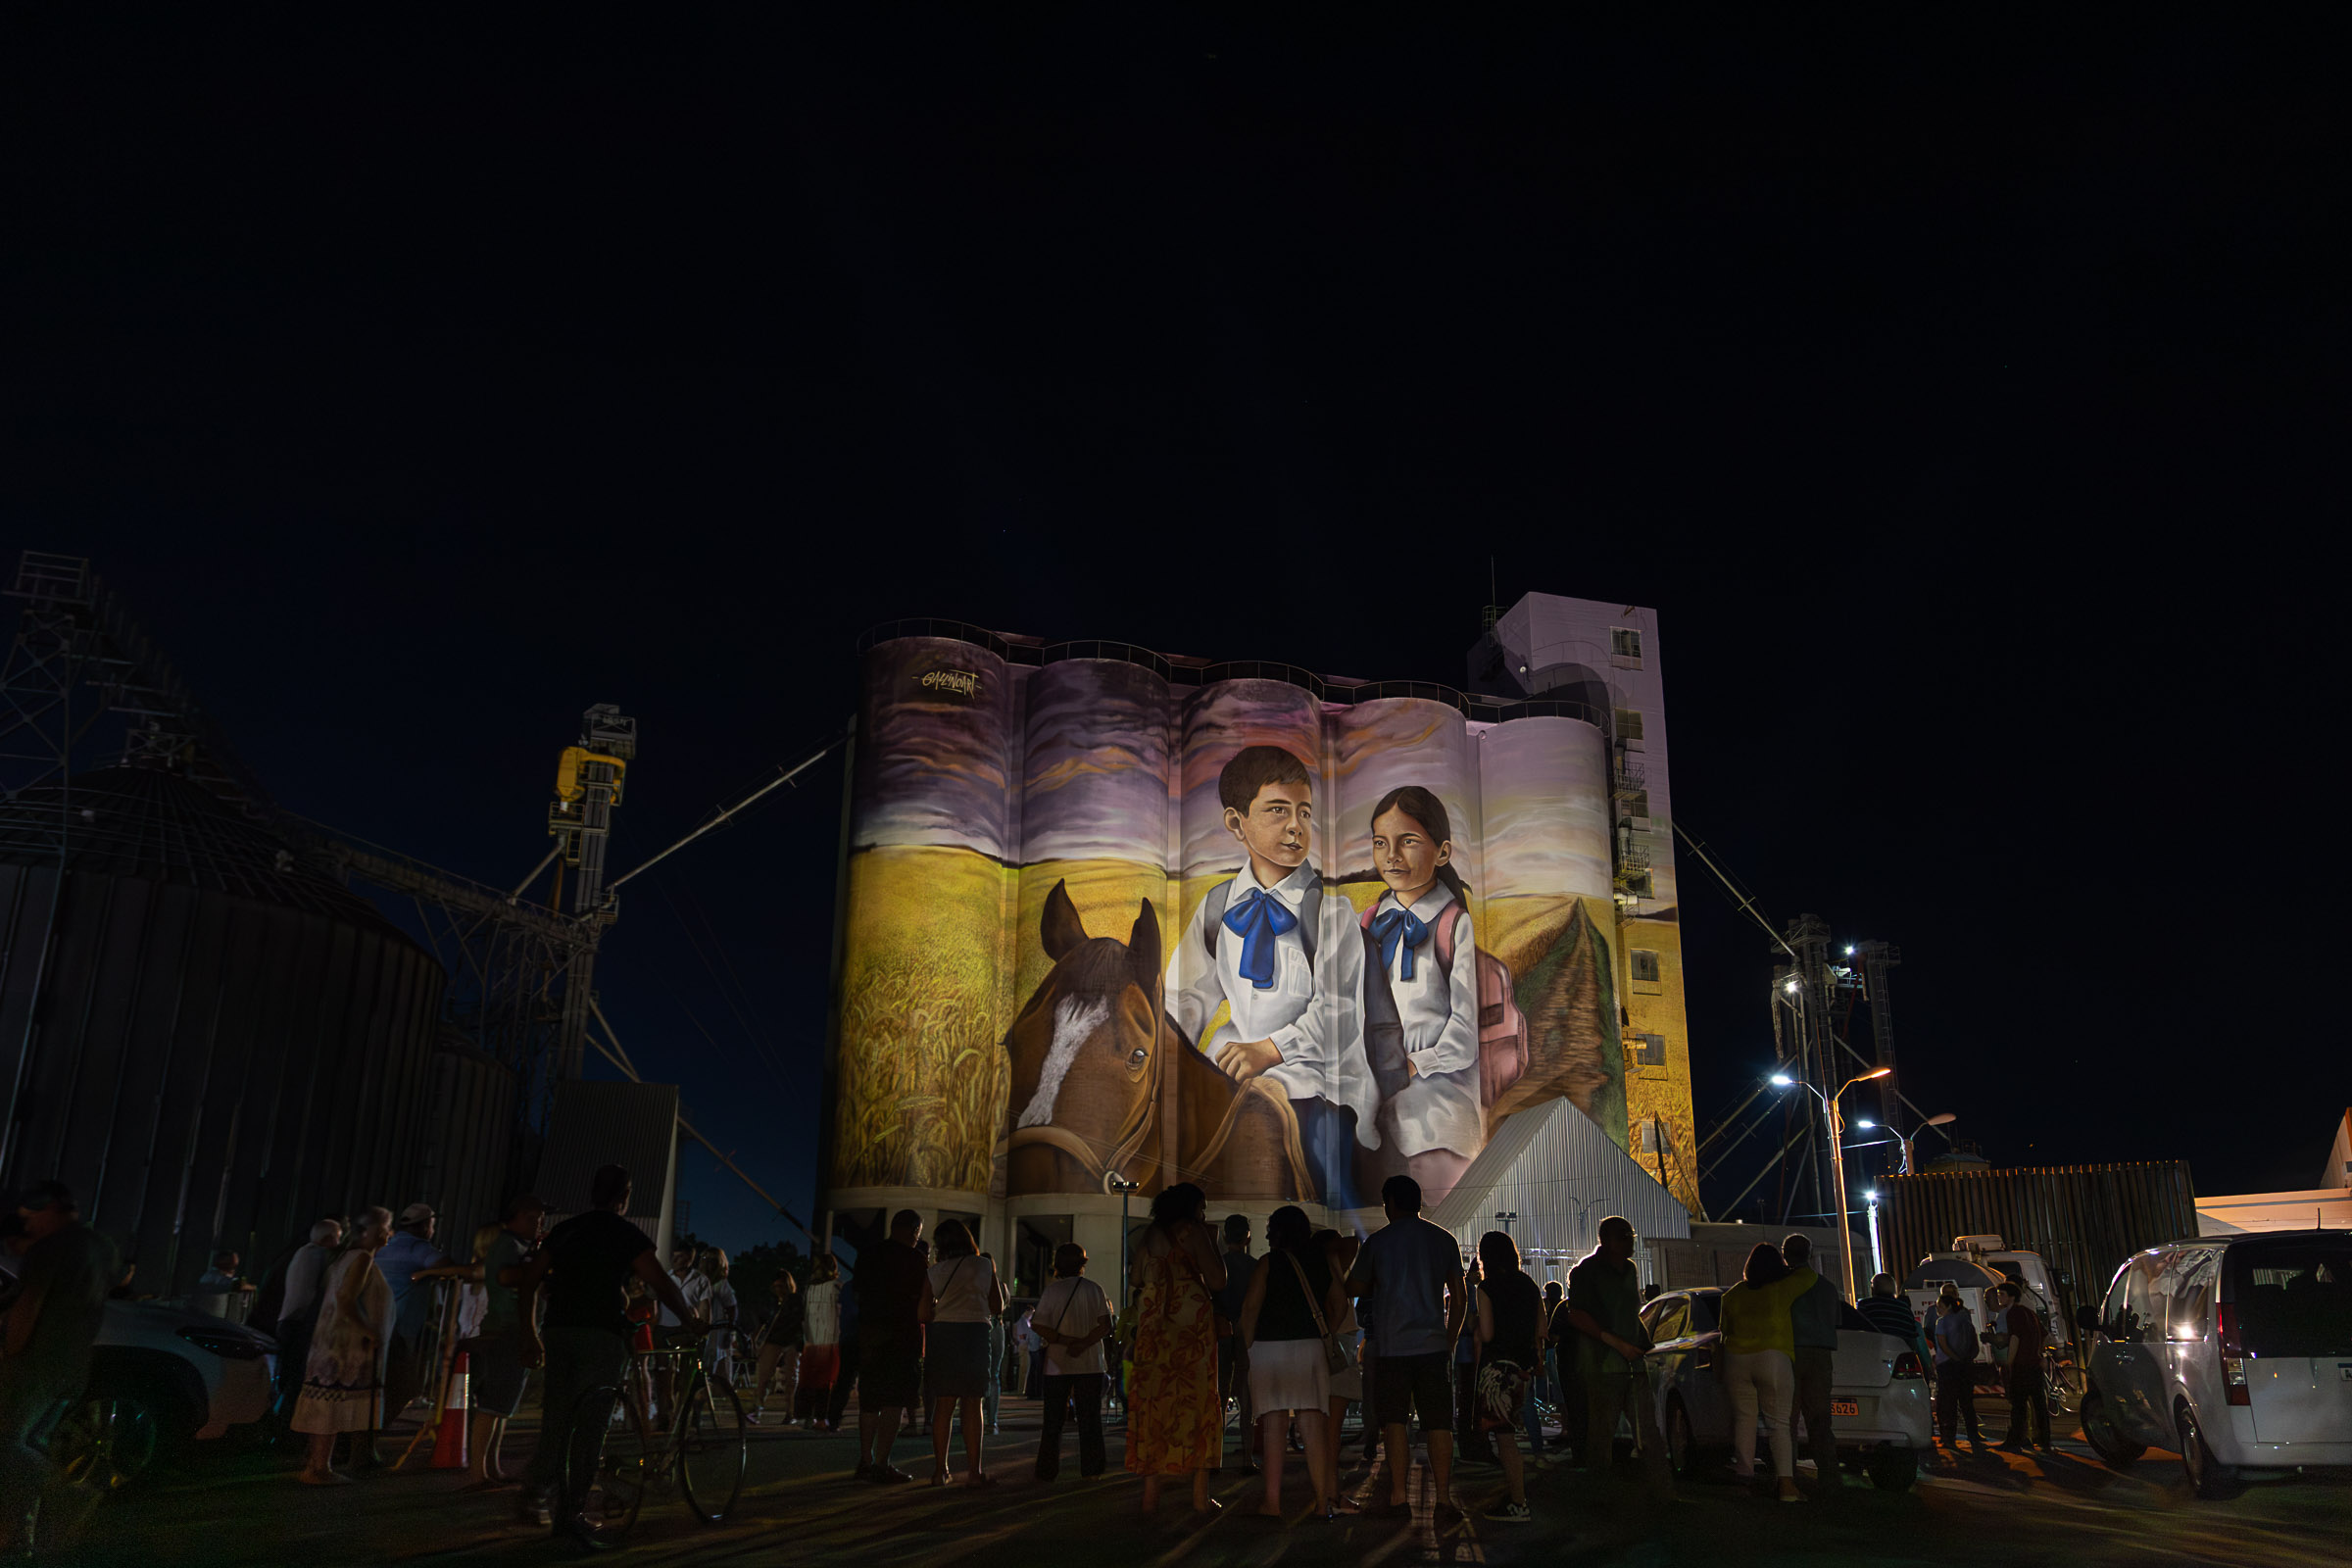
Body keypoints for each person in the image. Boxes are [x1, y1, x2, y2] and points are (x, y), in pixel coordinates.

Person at [1165, 747, 1373, 1209]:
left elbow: (1338, 1013)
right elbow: (1184, 997)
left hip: (1311, 1081)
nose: (1296, 826)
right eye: (1277, 811)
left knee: (1328, 1166)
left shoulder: (1330, 913)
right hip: (1229, 1068)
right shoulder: (1216, 907)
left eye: (1303, 812)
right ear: (1237, 824)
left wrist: (1270, 1049)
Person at [514, 1164, 704, 1545]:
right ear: (625, 1197)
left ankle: (536, 1491)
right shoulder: (625, 1233)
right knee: (591, 1425)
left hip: (559, 1330)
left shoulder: (565, 1230)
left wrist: (530, 1334)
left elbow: (530, 1280)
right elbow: (660, 1282)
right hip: (599, 1334)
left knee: (557, 1416)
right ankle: (571, 1515)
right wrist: (689, 1317)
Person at [1362, 786, 1485, 1197]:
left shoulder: (1454, 924)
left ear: (1443, 852)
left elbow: (1465, 1033)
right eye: (1381, 843)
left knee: (1433, 1203)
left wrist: (1415, 1064)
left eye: (1408, 841)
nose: (1392, 855)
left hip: (1435, 1094)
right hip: (1375, 1084)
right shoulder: (1368, 923)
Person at [0, 1182, 123, 1546]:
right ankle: (25, 1526)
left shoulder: (51, 1248)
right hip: (74, 1362)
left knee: (8, 1443)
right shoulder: (103, 1247)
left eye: (30, 1218)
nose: (29, 1227)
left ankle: (61, 1499)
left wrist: (11, 1351)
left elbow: (30, 1305)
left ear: (48, 1209)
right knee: (35, 1440)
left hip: (37, 1362)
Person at [1346, 1173, 1466, 1523]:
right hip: (1433, 1347)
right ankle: (1443, 1499)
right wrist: (1450, 1339)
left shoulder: (1378, 1243)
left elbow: (1354, 1284)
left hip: (1391, 1349)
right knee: (1440, 1423)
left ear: (1391, 1203)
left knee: (1395, 1421)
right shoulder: (1443, 1240)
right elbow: (1458, 1298)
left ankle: (1399, 1497)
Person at [1237, 1205, 1347, 1518]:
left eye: (1271, 1229)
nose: (1269, 1235)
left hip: (1268, 1350)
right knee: (1313, 1427)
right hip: (1310, 1348)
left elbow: (1250, 1309)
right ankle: (1322, 1502)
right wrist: (1325, 1332)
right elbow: (1339, 1304)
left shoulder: (1268, 1263)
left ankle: (1272, 1503)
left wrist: (1246, 1349)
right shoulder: (1321, 1261)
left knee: (1273, 1428)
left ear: (1279, 1232)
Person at [1125, 1182, 1227, 1516]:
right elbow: (1217, 1280)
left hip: (1154, 1330)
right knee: (1197, 1406)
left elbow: (1137, 1278)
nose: (1204, 1213)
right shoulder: (1194, 1232)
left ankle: (1149, 1497)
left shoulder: (1150, 1235)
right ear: (1190, 1209)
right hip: (1190, 1331)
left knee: (1154, 1407)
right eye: (1202, 1207)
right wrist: (1210, 1243)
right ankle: (1199, 1497)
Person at [290, 1206, 398, 1485]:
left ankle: (319, 1465)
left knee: (329, 1403)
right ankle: (318, 1468)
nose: (389, 1233)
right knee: (330, 1403)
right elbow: (346, 1299)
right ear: (368, 1231)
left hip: (334, 1340)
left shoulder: (348, 1257)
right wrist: (370, 1331)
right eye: (385, 1227)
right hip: (342, 1344)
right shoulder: (360, 1258)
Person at [1566, 1216, 1670, 1495]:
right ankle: (1600, 1495)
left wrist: (1640, 1342)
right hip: (1602, 1366)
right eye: (1625, 1235)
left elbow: (1630, 1312)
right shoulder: (1587, 1271)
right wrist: (1617, 1343)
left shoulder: (1630, 1269)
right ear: (1607, 1240)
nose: (1631, 1240)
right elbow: (1576, 1315)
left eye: (1631, 1234)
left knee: (1648, 1430)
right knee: (1602, 1434)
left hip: (1632, 1364)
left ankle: (1661, 1492)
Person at [454, 1194, 543, 1491]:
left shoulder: (520, 1245)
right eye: (532, 1217)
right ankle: (478, 1474)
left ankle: (491, 1467)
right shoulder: (508, 1244)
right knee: (492, 1405)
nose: (539, 1222)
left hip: (511, 1330)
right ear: (515, 1217)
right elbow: (504, 1276)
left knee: (503, 1406)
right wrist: (538, 1270)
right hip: (506, 1330)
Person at [1716, 1241, 1806, 1502]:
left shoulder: (1731, 1295)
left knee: (1744, 1420)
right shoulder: (1782, 1288)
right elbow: (1808, 1275)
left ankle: (1744, 1476)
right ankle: (1787, 1487)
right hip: (1773, 1358)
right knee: (1778, 1423)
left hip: (1736, 1360)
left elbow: (1724, 1334)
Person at [853, 1210, 935, 1485]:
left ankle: (865, 1459)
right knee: (894, 1402)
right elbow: (923, 1300)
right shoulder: (916, 1260)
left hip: (870, 1334)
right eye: (918, 1232)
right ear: (914, 1230)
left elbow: (857, 1293)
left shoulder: (868, 1254)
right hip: (902, 1337)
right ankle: (882, 1463)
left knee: (870, 1400)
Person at [925, 1220, 1006, 1487]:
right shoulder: (983, 1264)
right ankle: (974, 1471)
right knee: (973, 1403)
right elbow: (997, 1305)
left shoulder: (935, 1271)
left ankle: (940, 1471)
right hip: (975, 1334)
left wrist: (943, 1309)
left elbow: (922, 1313)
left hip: (944, 1336)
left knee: (944, 1404)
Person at [1473, 1230, 1544, 1523]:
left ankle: (1518, 1503)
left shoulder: (1487, 1287)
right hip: (1523, 1368)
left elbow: (1488, 1333)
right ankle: (1515, 1496)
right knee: (1510, 1433)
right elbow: (1542, 1328)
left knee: (1504, 1438)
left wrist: (1475, 1331)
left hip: (1498, 1370)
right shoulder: (1529, 1284)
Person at [374, 1203, 461, 1428]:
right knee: (406, 1386)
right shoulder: (419, 1248)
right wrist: (428, 1273)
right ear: (424, 1225)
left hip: (377, 1324)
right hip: (405, 1329)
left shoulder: (386, 1246)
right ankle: (376, 1430)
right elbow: (450, 1267)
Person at [1032, 1243, 1112, 1481]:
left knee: (1053, 1421)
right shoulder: (1094, 1289)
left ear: (1058, 1265)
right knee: (1090, 1418)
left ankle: (1047, 1471)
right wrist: (1083, 1342)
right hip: (1090, 1363)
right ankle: (1092, 1470)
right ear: (1082, 1264)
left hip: (1057, 1363)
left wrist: (1066, 1341)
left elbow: (1038, 1325)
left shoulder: (1052, 1291)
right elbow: (1106, 1325)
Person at [1780, 1234, 1841, 1496]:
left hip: (1790, 1354)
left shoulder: (1782, 1284)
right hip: (1821, 1355)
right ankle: (1830, 1477)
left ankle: (1789, 1477)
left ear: (1785, 1254)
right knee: (1820, 1420)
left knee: (1787, 1420)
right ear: (1810, 1252)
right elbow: (1836, 1320)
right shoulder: (1827, 1287)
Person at [270, 1218, 344, 1422]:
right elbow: (312, 1295)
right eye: (338, 1238)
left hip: (288, 1321)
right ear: (329, 1238)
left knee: (288, 1376)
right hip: (299, 1324)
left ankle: (281, 1421)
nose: (339, 1243)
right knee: (296, 1378)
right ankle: (287, 1424)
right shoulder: (317, 1255)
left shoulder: (302, 1253)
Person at [1313, 1230, 1364, 1504]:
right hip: (1338, 1350)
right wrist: (1331, 1255)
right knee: (1332, 1433)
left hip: (1325, 1350)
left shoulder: (1314, 1278)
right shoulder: (1333, 1277)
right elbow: (1351, 1244)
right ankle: (1331, 1493)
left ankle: (1326, 1492)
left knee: (1321, 1430)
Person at [1213, 1214, 1255, 1469]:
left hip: (1220, 1334)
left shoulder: (1218, 1266)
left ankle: (1214, 1459)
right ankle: (1247, 1458)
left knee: (1218, 1397)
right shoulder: (1255, 1266)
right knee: (1247, 1400)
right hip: (1246, 1335)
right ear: (1247, 1236)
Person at [1993, 1281, 2050, 1452]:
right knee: (2039, 1405)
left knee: (2018, 1406)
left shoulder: (2013, 1314)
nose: (1999, 1298)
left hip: (2021, 1365)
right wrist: (2040, 1354)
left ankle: (2015, 1440)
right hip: (2035, 1365)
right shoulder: (2030, 1313)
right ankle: (2044, 1440)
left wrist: (2009, 1363)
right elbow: (2045, 1335)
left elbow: (2014, 1339)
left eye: (2002, 1294)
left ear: (2011, 1296)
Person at [1932, 1288, 1985, 1454]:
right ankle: (1973, 1434)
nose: (1937, 1308)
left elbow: (1942, 1344)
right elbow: (1973, 1340)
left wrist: (1953, 1357)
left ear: (1947, 1306)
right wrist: (1965, 1357)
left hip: (1947, 1365)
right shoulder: (1964, 1319)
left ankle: (1949, 1437)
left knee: (1949, 1402)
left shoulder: (1942, 1322)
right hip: (1965, 1364)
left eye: (1939, 1305)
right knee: (1966, 1401)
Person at [749, 1269, 803, 1426]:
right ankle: (757, 1410)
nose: (779, 1289)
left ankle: (791, 1412)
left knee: (790, 1377)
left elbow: (801, 1320)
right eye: (776, 1286)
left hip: (791, 1340)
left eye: (782, 1286)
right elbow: (762, 1321)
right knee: (764, 1376)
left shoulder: (795, 1300)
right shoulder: (772, 1302)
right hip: (774, 1340)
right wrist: (755, 1339)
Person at [799, 1253, 841, 1427]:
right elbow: (838, 1313)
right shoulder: (836, 1287)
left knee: (809, 1380)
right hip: (830, 1340)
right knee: (826, 1381)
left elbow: (805, 1315)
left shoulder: (809, 1289)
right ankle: (822, 1417)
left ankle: (808, 1416)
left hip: (811, 1341)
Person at [1857, 1273, 1928, 1362]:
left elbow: (1861, 1330)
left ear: (1873, 1288)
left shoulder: (1865, 1304)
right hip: (1902, 1355)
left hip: (1875, 1354)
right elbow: (1912, 1337)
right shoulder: (1904, 1307)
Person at [703, 1250, 741, 1393]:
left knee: (720, 1365)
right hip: (707, 1330)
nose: (710, 1263)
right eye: (707, 1259)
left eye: (714, 1260)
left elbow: (732, 1308)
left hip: (718, 1331)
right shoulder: (703, 1282)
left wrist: (730, 1332)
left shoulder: (722, 1284)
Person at [192, 1250, 253, 1318]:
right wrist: (253, 1287)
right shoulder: (212, 1277)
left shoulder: (216, 1276)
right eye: (233, 1265)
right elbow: (239, 1285)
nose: (234, 1269)